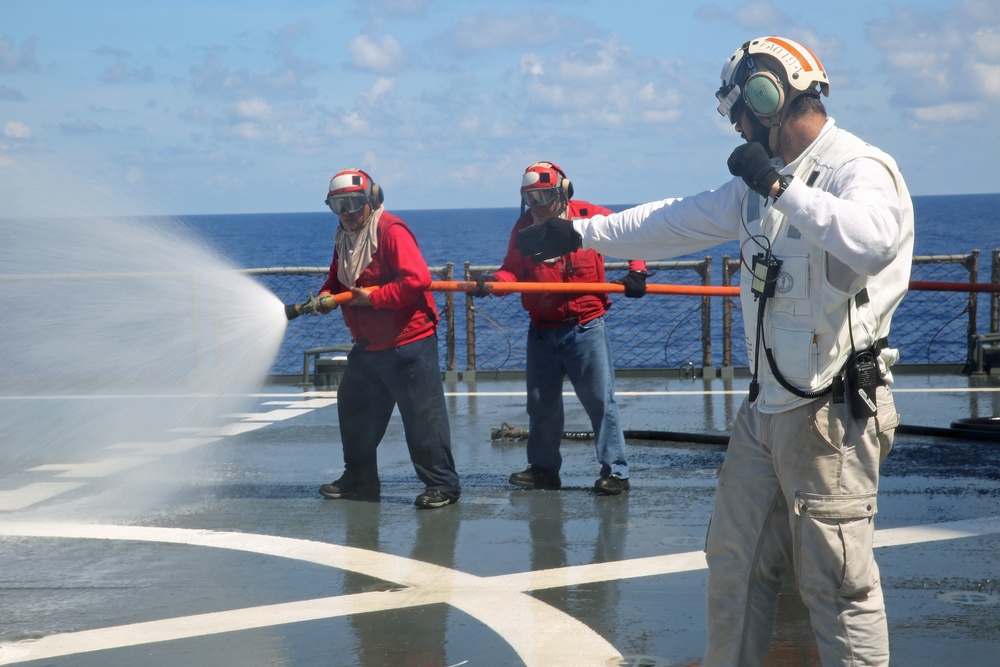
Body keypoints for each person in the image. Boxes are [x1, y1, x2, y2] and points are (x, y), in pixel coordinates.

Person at [515, 37, 913, 666]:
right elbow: (674, 220)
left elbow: (870, 242)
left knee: (838, 587)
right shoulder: (760, 186)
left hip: (831, 416)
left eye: (738, 110)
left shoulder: (858, 168)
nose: (734, 125)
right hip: (767, 411)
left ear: (768, 96)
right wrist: (582, 231)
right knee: (735, 564)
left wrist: (779, 186)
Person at [479, 161, 649, 496]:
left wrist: (637, 272)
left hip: (586, 328)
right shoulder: (523, 229)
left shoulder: (590, 216)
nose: (538, 205)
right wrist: (494, 283)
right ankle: (543, 470)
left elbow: (630, 236)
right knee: (542, 405)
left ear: (564, 192)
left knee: (601, 401)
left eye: (545, 195)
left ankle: (615, 472)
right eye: (532, 198)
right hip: (542, 330)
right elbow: (512, 271)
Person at [315, 168, 461, 509]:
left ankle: (442, 486)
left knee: (422, 418)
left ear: (372, 200)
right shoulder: (345, 237)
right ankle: (359, 479)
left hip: (408, 341)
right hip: (369, 344)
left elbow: (416, 279)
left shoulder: (390, 231)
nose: (348, 212)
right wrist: (325, 295)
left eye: (354, 203)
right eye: (340, 206)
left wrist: (374, 299)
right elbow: (337, 278)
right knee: (353, 409)